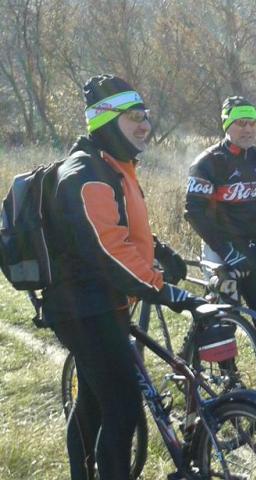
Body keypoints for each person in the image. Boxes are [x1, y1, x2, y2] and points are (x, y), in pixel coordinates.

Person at [42, 74, 203, 480]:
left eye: (145, 114)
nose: (145, 123)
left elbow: (125, 227)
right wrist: (166, 292)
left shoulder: (116, 165)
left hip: (106, 303)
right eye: (134, 115)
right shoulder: (85, 173)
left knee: (95, 404)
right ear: (105, 121)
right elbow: (108, 250)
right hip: (83, 310)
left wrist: (163, 254)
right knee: (123, 408)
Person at [184, 95, 256, 396]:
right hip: (220, 248)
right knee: (224, 319)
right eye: (240, 123)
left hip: (251, 247)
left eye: (252, 123)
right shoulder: (208, 162)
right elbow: (193, 212)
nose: (248, 129)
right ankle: (230, 379)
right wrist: (228, 252)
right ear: (227, 126)